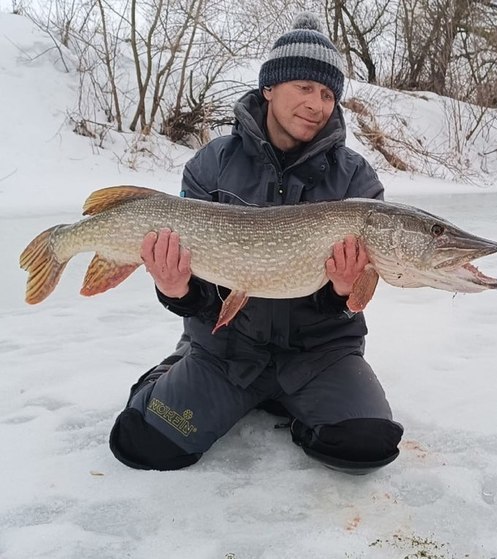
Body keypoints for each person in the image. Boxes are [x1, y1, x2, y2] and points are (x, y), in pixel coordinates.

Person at [108, 13, 403, 474]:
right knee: (141, 443)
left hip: (319, 355)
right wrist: (175, 287)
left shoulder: (356, 180)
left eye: (327, 93)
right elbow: (198, 296)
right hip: (227, 351)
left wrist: (345, 291)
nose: (317, 103)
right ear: (269, 87)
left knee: (366, 447)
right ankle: (175, 370)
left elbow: (348, 304)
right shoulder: (211, 165)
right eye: (304, 87)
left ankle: (292, 403)